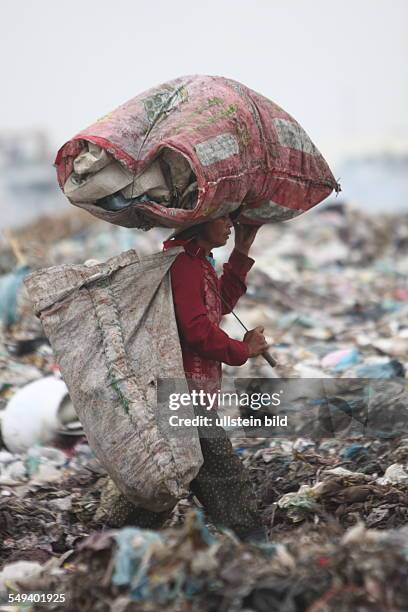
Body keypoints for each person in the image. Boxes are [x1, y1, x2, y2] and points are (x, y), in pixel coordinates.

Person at [104, 213, 268, 542]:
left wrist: (242, 248)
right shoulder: (182, 264)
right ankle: (255, 545)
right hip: (181, 388)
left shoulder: (197, 261)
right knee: (222, 473)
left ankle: (112, 539)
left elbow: (218, 304)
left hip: (187, 389)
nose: (230, 225)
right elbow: (195, 329)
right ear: (201, 221)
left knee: (166, 473)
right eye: (223, 218)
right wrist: (242, 350)